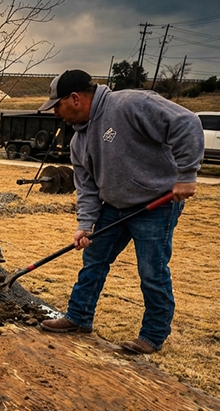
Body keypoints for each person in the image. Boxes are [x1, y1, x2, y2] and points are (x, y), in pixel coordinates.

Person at [36, 69, 204, 354]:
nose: (56, 114)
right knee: (94, 261)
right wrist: (85, 224)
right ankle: (79, 317)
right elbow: (87, 188)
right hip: (114, 208)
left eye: (58, 106)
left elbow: (186, 122)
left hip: (156, 204)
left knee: (151, 271)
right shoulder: (78, 142)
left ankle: (152, 335)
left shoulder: (130, 104)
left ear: (74, 98)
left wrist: (186, 174)